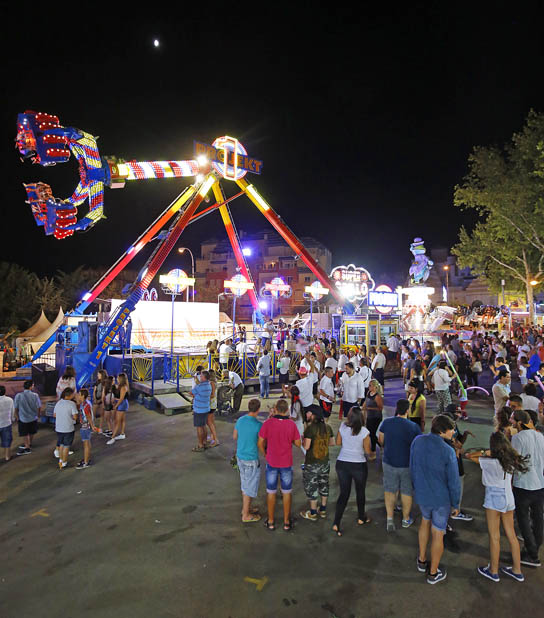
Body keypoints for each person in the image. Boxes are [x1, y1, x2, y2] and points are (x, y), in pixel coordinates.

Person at [410, 415, 461, 585]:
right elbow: (454, 481)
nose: (454, 432)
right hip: (441, 499)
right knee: (438, 532)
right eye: (451, 429)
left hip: (422, 494)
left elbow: (412, 466)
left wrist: (415, 487)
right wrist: (455, 503)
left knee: (425, 522)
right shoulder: (448, 451)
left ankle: (422, 560)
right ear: (441, 431)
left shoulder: (418, 441)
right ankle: (433, 573)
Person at [477, 431, 528, 582]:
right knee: (511, 535)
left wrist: (484, 452)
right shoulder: (512, 459)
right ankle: (517, 570)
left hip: (494, 497)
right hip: (509, 498)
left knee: (494, 536)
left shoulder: (489, 461)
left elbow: (469, 455)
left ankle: (493, 571)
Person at [258, 398, 301, 531]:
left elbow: (260, 442)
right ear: (287, 410)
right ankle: (286, 522)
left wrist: (265, 454)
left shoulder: (268, 423)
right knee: (286, 492)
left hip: (272, 462)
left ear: (275, 409)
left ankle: (270, 521)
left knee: (271, 491)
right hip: (286, 463)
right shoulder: (291, 425)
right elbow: (298, 443)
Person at [378, 399, 421, 531]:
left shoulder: (386, 423)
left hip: (389, 462)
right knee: (406, 491)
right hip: (406, 464)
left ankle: (389, 519)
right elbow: (417, 446)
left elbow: (381, 440)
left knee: (390, 490)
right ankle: (405, 519)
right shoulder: (413, 427)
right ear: (408, 410)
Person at [332, 406, 374, 536]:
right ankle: (361, 517)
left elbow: (338, 443)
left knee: (344, 494)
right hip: (358, 465)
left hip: (342, 463)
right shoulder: (364, 432)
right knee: (360, 492)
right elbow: (368, 451)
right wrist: (373, 455)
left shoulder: (343, 427)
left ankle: (336, 522)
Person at [511, 409, 544, 567]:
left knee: (523, 519)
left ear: (519, 422)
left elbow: (515, 459)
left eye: (513, 421)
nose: (512, 424)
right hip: (539, 484)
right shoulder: (540, 436)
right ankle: (535, 547)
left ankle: (532, 554)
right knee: (538, 518)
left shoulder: (517, 438)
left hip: (523, 484)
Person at [300, 405, 335, 521]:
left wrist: (302, 441)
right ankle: (323, 510)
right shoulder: (327, 427)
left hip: (312, 463)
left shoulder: (310, 428)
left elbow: (307, 446)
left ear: (313, 414)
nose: (306, 415)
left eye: (308, 413)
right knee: (324, 484)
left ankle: (313, 512)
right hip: (325, 462)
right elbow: (332, 443)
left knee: (312, 486)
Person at [233, 398, 262, 523]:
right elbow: (262, 443)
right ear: (258, 410)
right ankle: (246, 515)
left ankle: (247, 508)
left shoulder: (240, 420)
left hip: (240, 456)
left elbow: (235, 436)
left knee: (245, 483)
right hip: (251, 458)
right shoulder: (258, 425)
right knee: (249, 486)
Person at [14, 380, 41, 455]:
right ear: (31, 386)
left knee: (24, 433)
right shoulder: (35, 395)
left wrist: (16, 416)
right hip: (33, 417)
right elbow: (39, 406)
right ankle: (29, 444)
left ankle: (27, 447)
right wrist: (38, 414)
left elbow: (16, 407)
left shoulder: (19, 395)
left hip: (23, 418)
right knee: (32, 431)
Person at [54, 387, 78, 470]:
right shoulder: (71, 404)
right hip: (68, 428)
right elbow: (75, 417)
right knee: (66, 446)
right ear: (69, 395)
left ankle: (60, 460)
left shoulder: (58, 403)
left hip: (59, 427)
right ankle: (64, 462)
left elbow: (55, 415)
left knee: (61, 444)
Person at [190, 370, 212, 452]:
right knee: (204, 426)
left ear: (204, 377)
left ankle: (200, 445)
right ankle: (205, 441)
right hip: (206, 409)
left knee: (199, 427)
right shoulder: (209, 385)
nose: (200, 377)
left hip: (199, 410)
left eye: (201, 376)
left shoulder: (199, 387)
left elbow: (191, 393)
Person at [107, 373, 129, 445]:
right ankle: (122, 434)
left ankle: (113, 437)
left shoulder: (123, 387)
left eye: (118, 378)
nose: (117, 379)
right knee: (122, 420)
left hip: (122, 404)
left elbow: (121, 399)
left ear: (121, 379)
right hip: (121, 404)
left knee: (117, 421)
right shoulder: (120, 386)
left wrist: (116, 406)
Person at [75, 389, 95, 469]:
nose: (78, 396)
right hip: (86, 426)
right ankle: (87, 459)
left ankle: (86, 463)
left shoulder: (85, 405)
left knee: (86, 445)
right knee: (87, 443)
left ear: (83, 396)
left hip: (85, 427)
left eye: (79, 394)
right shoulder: (86, 403)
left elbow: (88, 416)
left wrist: (92, 425)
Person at [362, 379, 384, 453]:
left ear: (375, 387)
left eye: (370, 386)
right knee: (370, 432)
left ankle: (373, 448)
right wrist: (363, 407)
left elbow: (380, 408)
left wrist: (369, 408)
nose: (369, 387)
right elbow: (366, 401)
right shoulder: (369, 393)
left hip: (376, 417)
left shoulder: (377, 396)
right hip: (370, 416)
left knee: (372, 433)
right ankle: (380, 445)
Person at [0, 385, 15, 461]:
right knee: (7, 441)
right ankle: (7, 456)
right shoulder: (10, 400)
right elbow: (12, 411)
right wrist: (12, 419)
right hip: (6, 423)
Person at [206, 370, 220, 447]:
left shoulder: (211, 383)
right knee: (211, 422)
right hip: (213, 404)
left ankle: (215, 439)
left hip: (211, 405)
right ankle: (212, 437)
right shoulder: (214, 382)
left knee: (209, 422)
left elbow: (212, 395)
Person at [93, 369, 108, 434]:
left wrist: (100, 400)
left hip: (102, 400)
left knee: (102, 414)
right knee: (92, 413)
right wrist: (95, 398)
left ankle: (100, 428)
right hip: (96, 399)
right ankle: (92, 427)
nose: (97, 375)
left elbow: (104, 392)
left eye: (98, 374)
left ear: (102, 375)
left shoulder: (105, 382)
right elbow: (94, 391)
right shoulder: (97, 381)